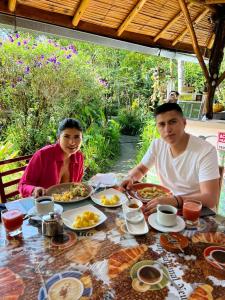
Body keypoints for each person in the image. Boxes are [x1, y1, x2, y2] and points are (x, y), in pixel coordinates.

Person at [121, 103, 220, 215]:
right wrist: (130, 178)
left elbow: (210, 198)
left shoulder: (205, 151)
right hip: (166, 206)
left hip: (197, 212)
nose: (167, 129)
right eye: (162, 124)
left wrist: (175, 201)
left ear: (184, 123)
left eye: (173, 122)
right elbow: (140, 170)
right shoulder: (157, 145)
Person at [19, 118, 84, 198]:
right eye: (66, 136)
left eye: (77, 137)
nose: (72, 142)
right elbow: (22, 186)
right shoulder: (43, 155)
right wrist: (34, 189)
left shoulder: (79, 157)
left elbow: (76, 185)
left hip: (69, 205)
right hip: (44, 205)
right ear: (58, 138)